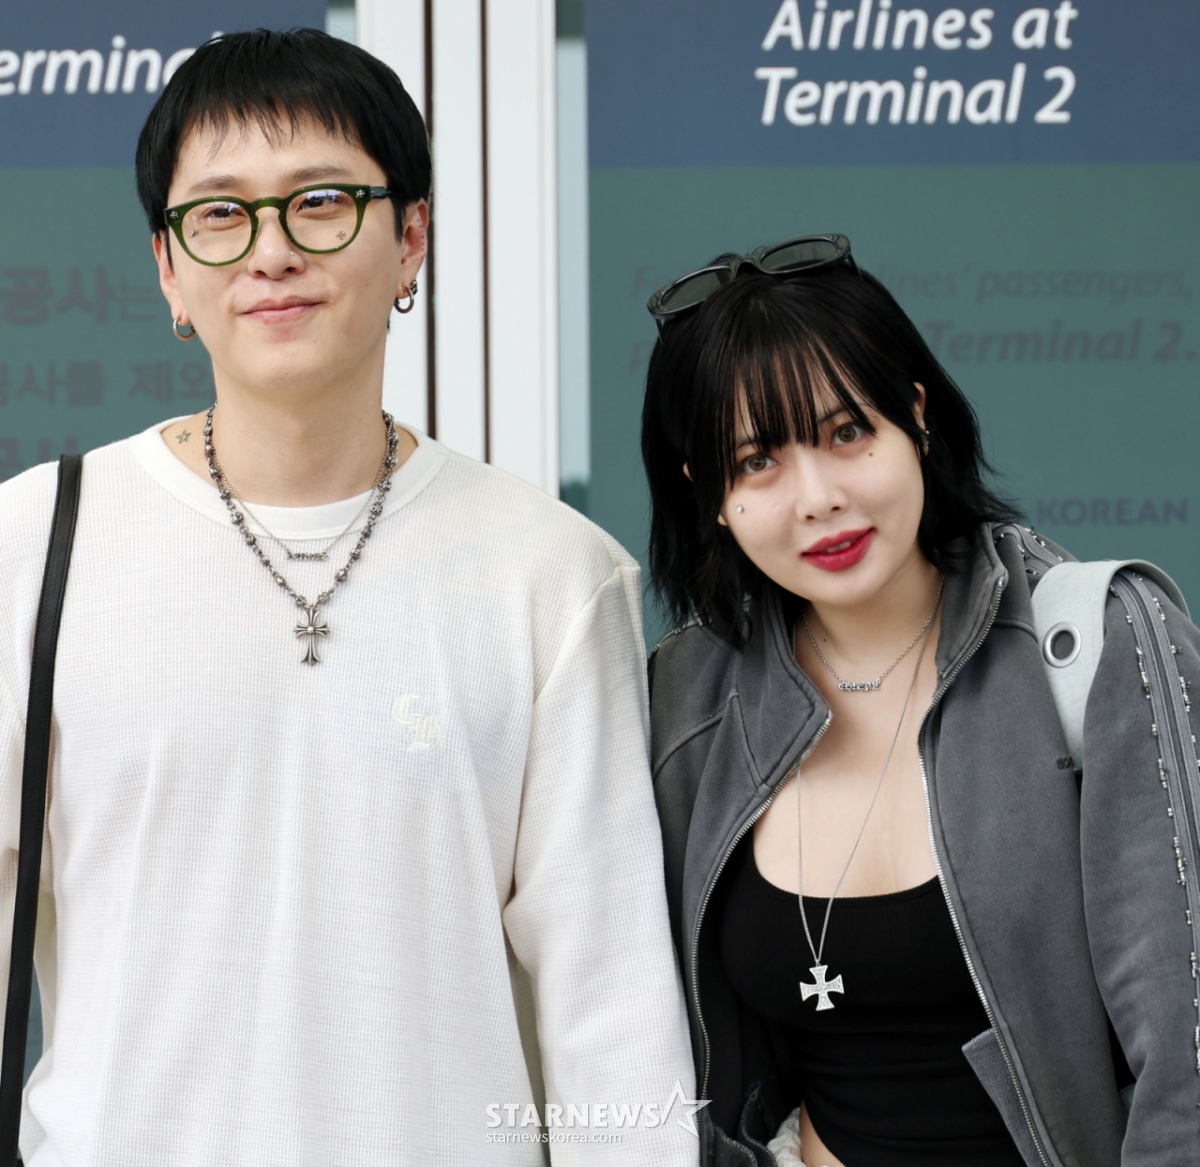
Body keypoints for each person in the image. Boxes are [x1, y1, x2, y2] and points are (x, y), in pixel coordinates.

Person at [0, 28, 697, 1166]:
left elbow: (612, 1022)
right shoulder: (30, 547)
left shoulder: (551, 576)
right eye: (220, 213)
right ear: (169, 268)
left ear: (412, 238)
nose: (272, 251)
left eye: (321, 201)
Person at [640, 234, 1200, 1166]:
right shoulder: (688, 700)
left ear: (916, 415)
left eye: (845, 433)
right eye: (758, 459)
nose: (817, 497)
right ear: (710, 491)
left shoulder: (1100, 645)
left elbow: (1188, 1062)